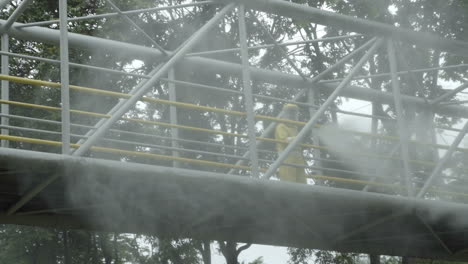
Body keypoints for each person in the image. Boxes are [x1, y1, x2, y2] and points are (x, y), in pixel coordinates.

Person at [274, 104, 307, 184]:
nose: (292, 115)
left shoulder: (295, 128)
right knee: (289, 183)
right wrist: (298, 138)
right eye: (290, 112)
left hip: (298, 160)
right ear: (285, 113)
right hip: (286, 159)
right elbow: (285, 140)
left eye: (294, 112)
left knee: (302, 183)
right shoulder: (281, 126)